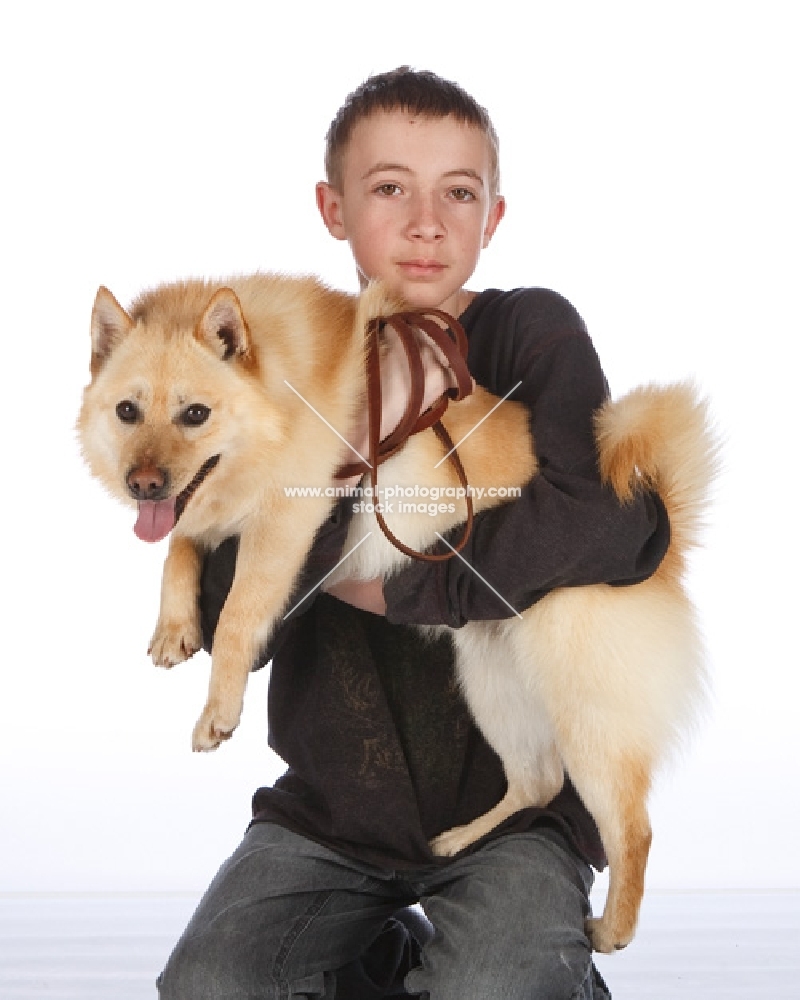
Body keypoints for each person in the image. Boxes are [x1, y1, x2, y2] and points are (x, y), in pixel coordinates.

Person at [157, 67, 669, 999]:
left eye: (458, 193)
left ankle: (544, 975)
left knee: (495, 987)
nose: (426, 221)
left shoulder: (526, 332)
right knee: (205, 985)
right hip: (329, 810)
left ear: (494, 216)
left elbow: (619, 525)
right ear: (334, 208)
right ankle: (388, 962)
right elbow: (243, 617)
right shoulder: (276, 366)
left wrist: (408, 590)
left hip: (514, 817)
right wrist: (347, 442)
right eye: (390, 187)